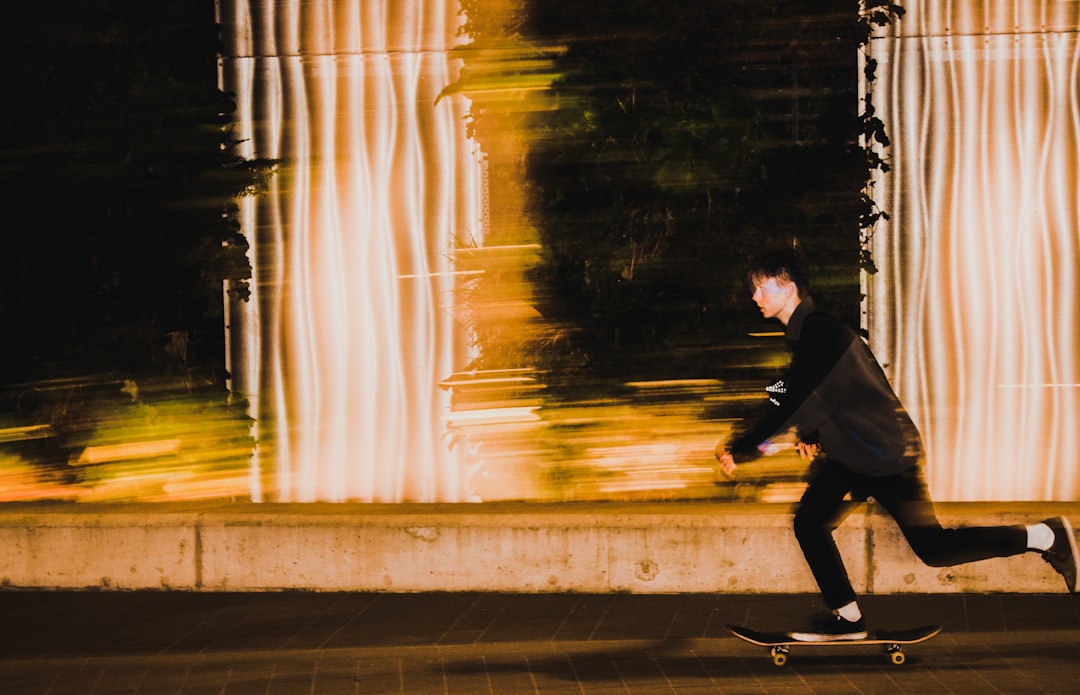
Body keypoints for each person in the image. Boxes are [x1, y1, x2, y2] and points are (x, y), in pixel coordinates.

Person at [714, 250, 1079, 641]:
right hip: (855, 456)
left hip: (887, 455)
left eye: (760, 288)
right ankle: (849, 619)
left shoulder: (820, 330)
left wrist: (745, 448)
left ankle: (1045, 536)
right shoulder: (810, 334)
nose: (755, 297)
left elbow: (798, 400)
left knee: (934, 549)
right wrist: (813, 434)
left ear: (786, 289)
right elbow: (825, 394)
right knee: (810, 522)